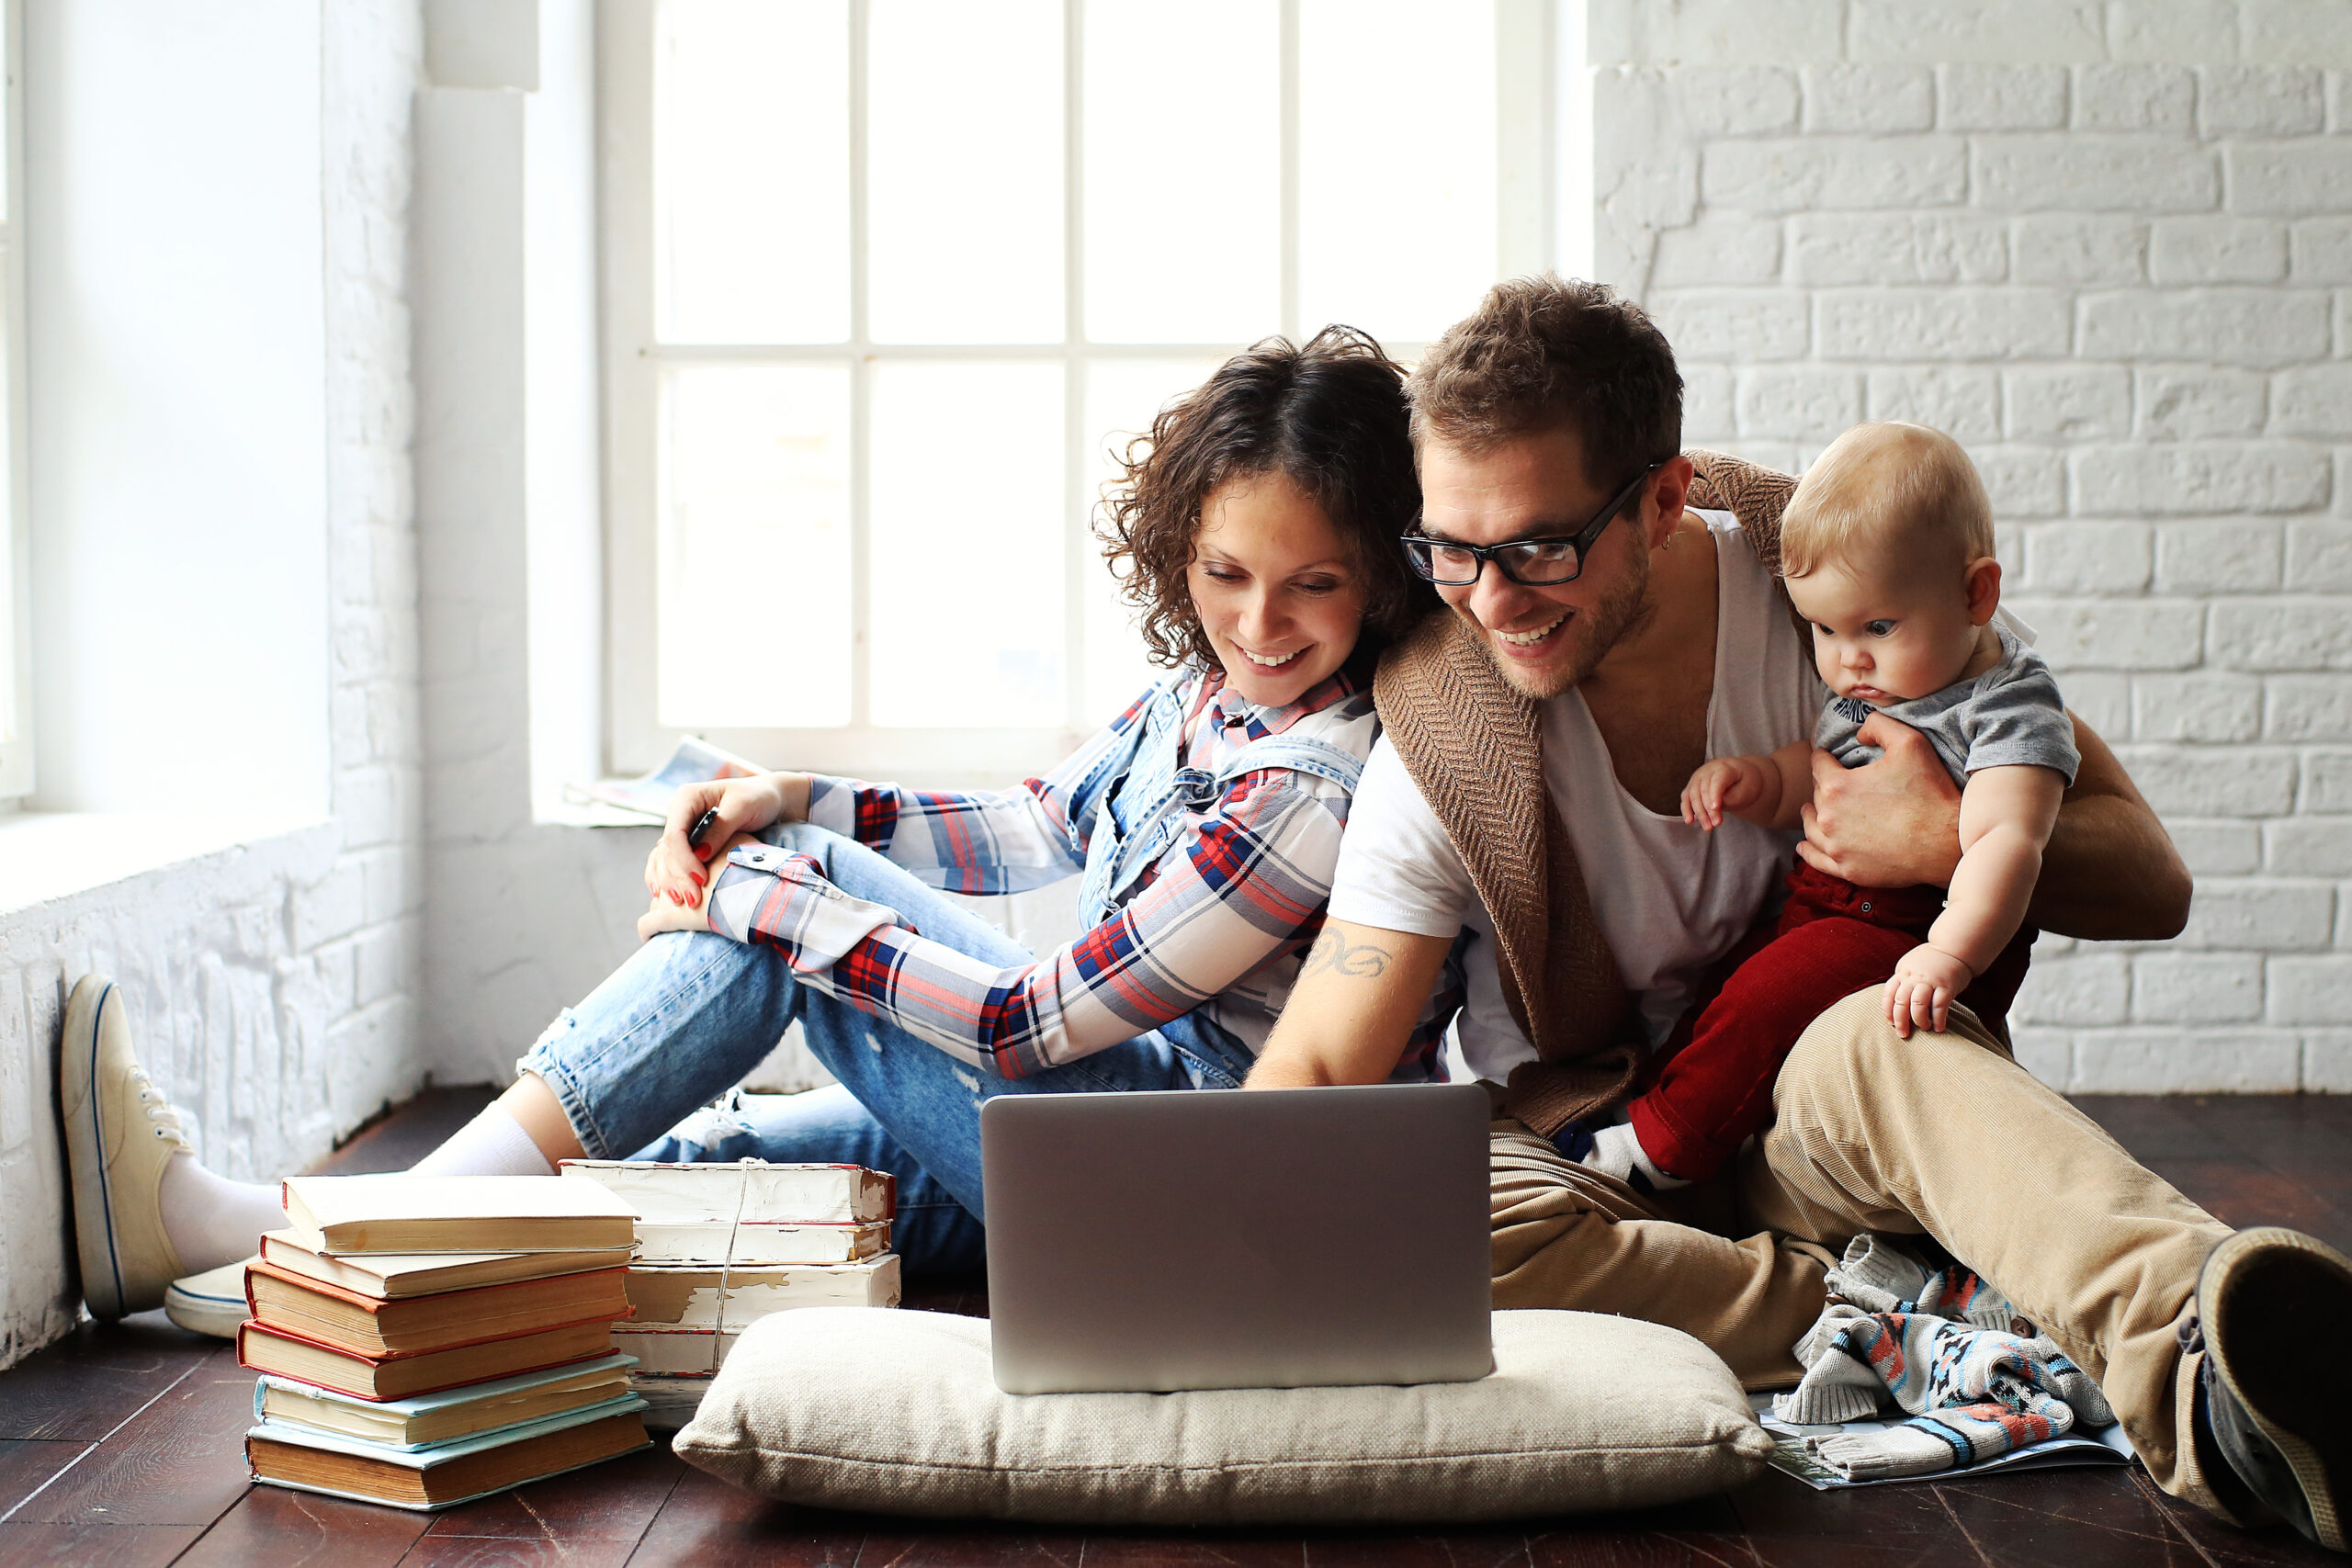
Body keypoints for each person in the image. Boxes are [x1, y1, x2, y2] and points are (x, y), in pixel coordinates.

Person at [1242, 276, 2351, 1551]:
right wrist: (1230, 1226)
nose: (1492, 599)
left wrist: (1941, 831)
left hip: (1811, 1113)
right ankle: (1928, 1306)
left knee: (1890, 1025)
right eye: (1451, 551)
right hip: (1583, 1158)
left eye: (1540, 546)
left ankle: (2210, 1367)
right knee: (1428, 1231)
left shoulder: (1844, 592)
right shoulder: (1447, 728)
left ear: (1663, 498)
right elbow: (1332, 1046)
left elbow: (2151, 879)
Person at [63, 325, 1455, 1322]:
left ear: (1381, 578)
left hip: (1161, 1191)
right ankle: (291, 1255)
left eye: (1313, 585)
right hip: (1081, 1139)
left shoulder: (1313, 789)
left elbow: (1024, 1027)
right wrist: (794, 796)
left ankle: (281, 1226)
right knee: (725, 1176)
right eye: (1225, 572)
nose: (1260, 623)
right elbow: (1036, 821)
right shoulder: (1206, 699)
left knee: (783, 912)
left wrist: (756, 899)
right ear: (1179, 548)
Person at [1546, 418, 2076, 1194]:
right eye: (1824, 628)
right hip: (1824, 906)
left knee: (1765, 1001)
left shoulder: (2006, 705)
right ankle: (1652, 1112)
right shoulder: (1880, 679)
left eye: (1877, 627)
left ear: (1977, 593)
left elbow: (2006, 843)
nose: (1847, 658)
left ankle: (1663, 1154)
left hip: (1912, 930)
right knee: (1727, 986)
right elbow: (1826, 769)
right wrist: (1760, 779)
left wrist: (1948, 956)